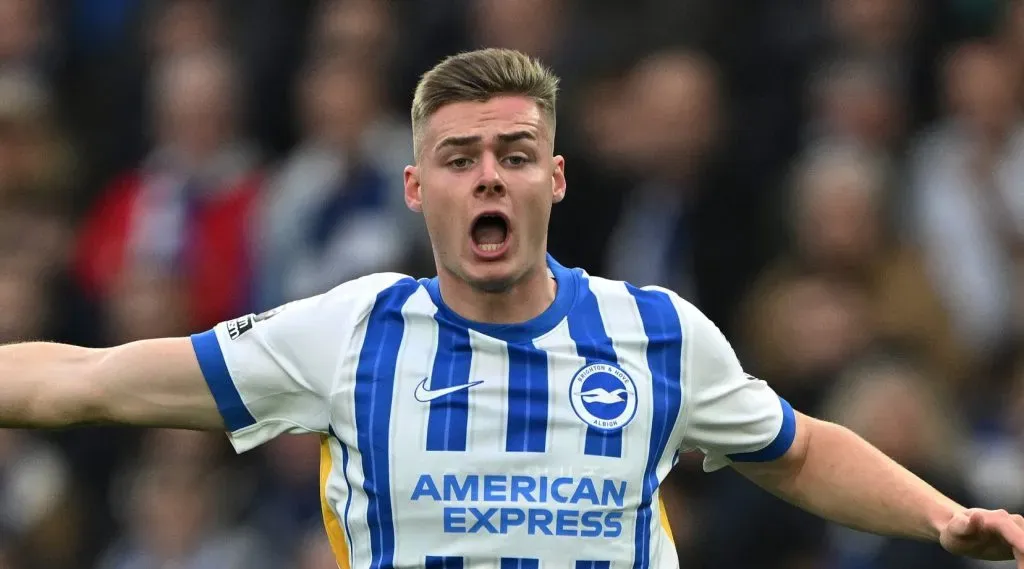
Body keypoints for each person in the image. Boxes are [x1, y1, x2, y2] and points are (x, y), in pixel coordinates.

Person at [0, 48, 1021, 569]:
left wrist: (939, 514)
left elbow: (795, 448)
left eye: (515, 155)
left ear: (555, 180)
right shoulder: (348, 332)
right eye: (459, 158)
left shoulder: (655, 331)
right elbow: (87, 381)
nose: (489, 175)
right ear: (417, 189)